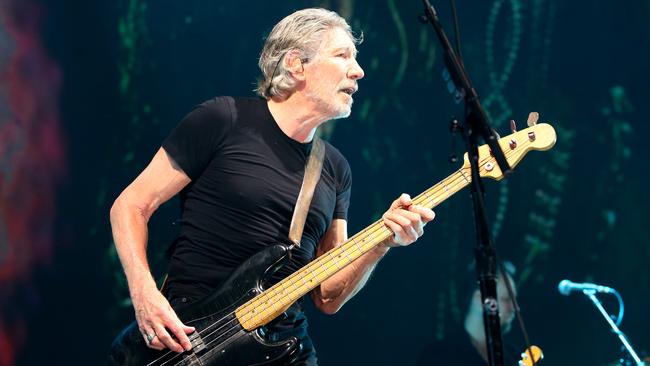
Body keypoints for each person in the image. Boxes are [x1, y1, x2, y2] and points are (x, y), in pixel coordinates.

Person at [109, 8, 435, 365]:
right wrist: (143, 293)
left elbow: (327, 295)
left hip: (281, 347)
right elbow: (131, 205)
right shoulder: (223, 119)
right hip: (188, 338)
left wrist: (381, 242)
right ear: (296, 65)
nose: (358, 71)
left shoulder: (335, 168)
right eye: (343, 56)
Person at [417, 262, 519, 365]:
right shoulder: (438, 356)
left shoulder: (513, 357)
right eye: (506, 299)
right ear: (479, 299)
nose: (515, 308)